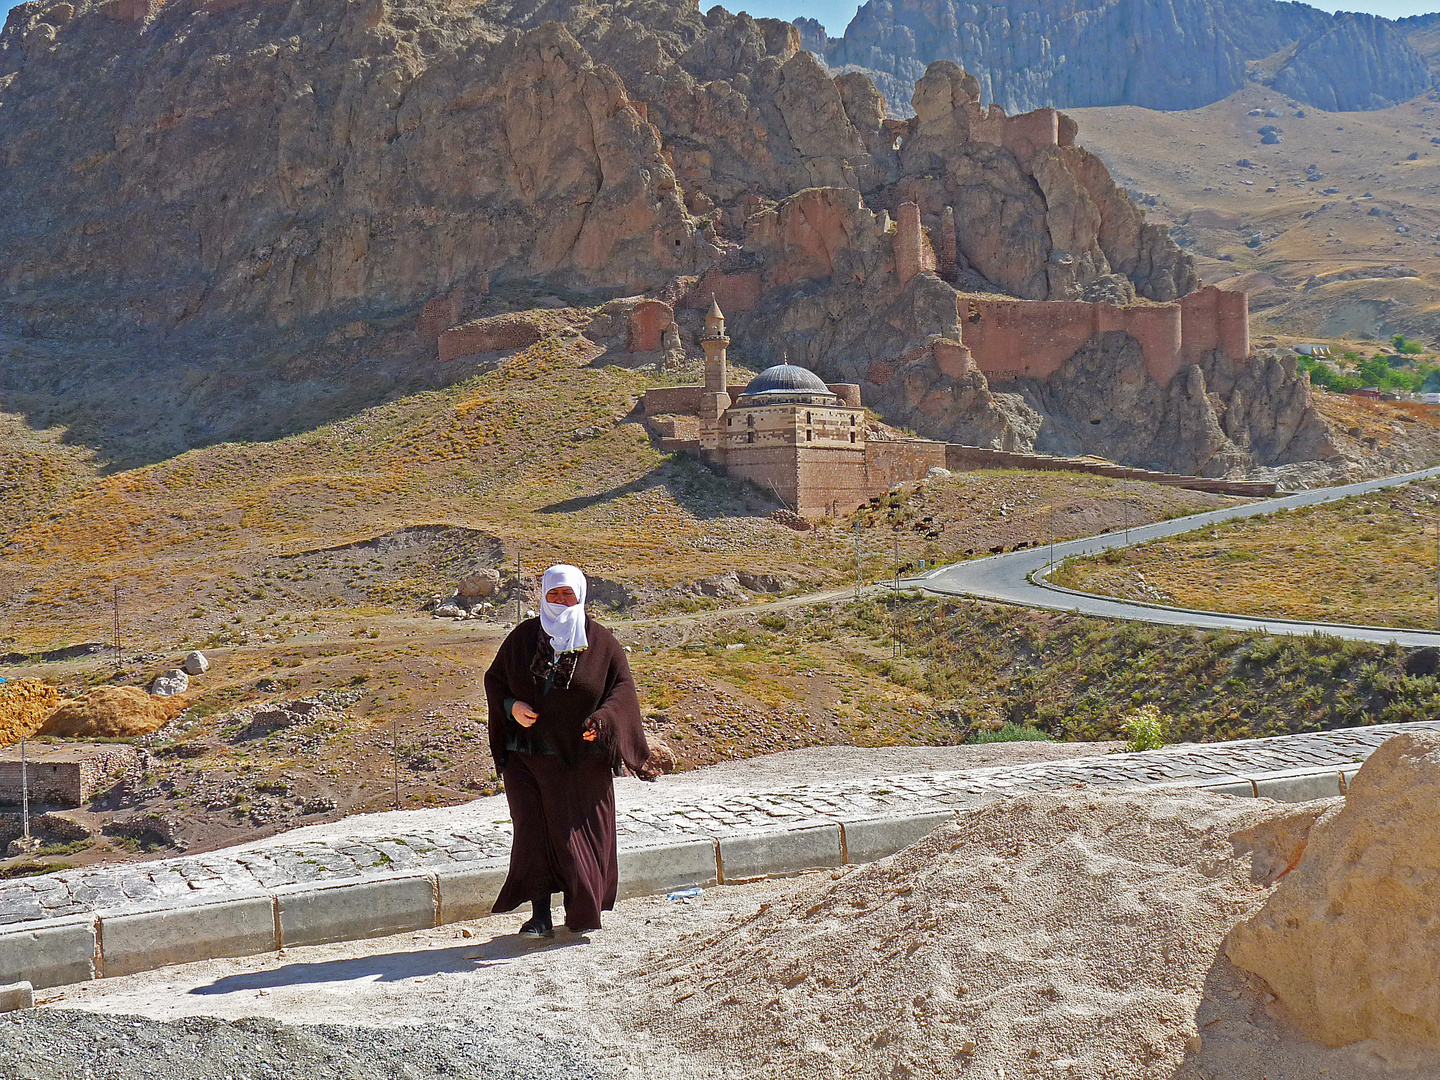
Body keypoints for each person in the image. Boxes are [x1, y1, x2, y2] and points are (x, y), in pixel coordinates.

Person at [484, 563, 656, 938]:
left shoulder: (601, 642)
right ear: (543, 595)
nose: (560, 600)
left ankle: (580, 911)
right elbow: (494, 680)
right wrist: (511, 706)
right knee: (534, 836)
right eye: (554, 593)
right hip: (527, 759)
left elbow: (622, 691)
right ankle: (539, 916)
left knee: (575, 838)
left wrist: (603, 723)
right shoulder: (524, 638)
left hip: (579, 761)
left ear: (581, 595)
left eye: (568, 593)